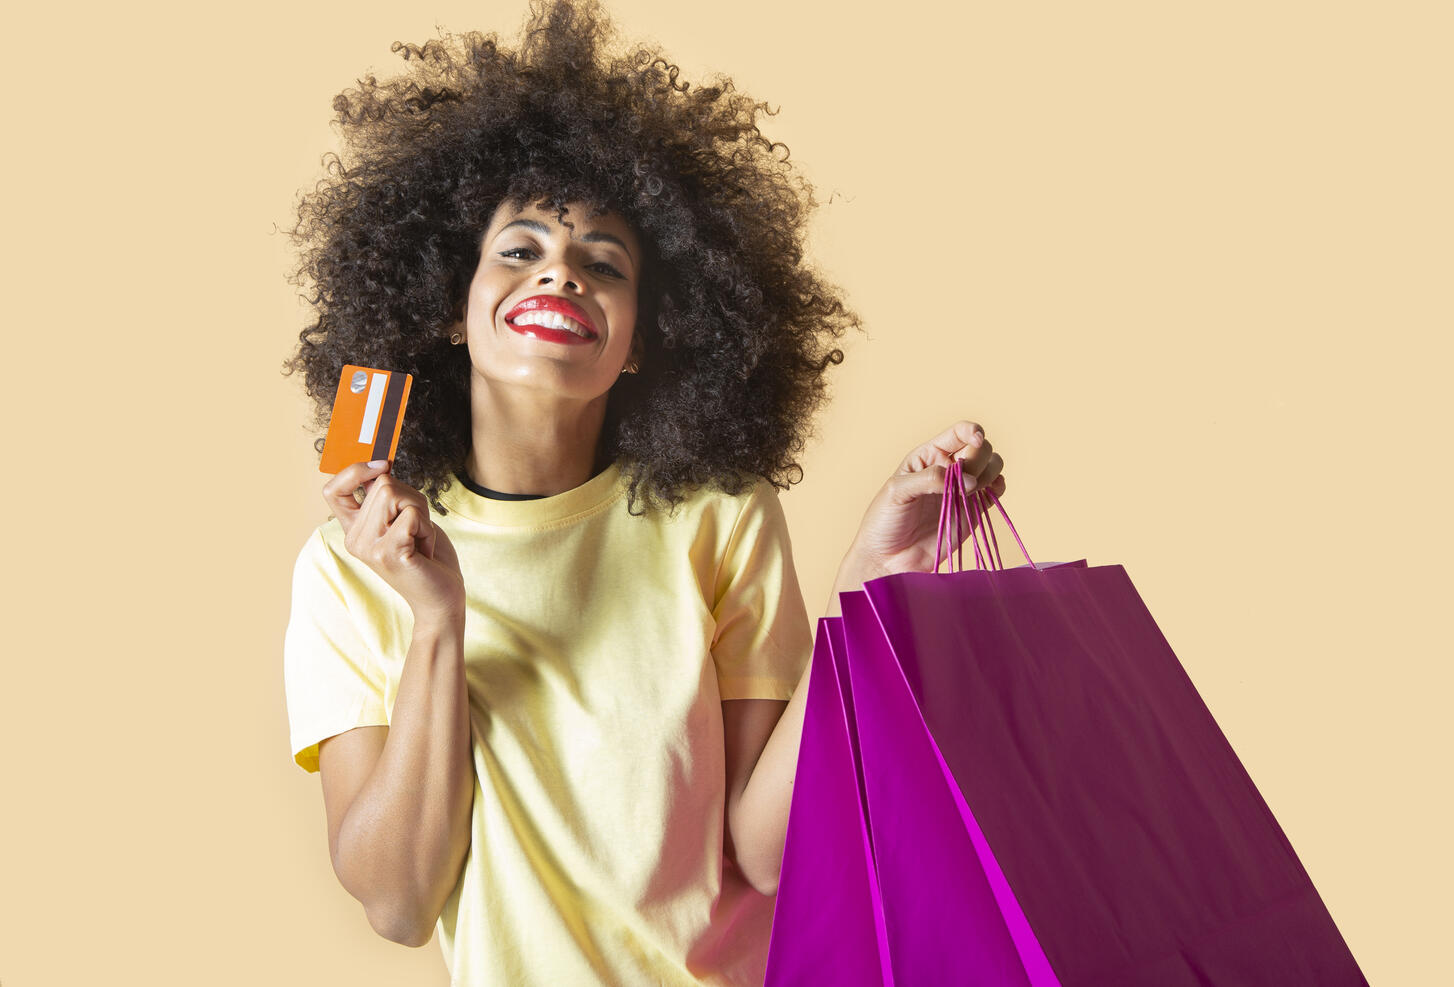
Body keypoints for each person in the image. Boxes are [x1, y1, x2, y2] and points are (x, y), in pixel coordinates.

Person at [281, 2, 1006, 984]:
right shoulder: (350, 568)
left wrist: (867, 595)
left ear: (642, 342)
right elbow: (398, 903)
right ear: (447, 310)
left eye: (603, 263)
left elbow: (764, 854)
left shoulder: (717, 516)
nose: (562, 274)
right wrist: (437, 620)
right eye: (521, 248)